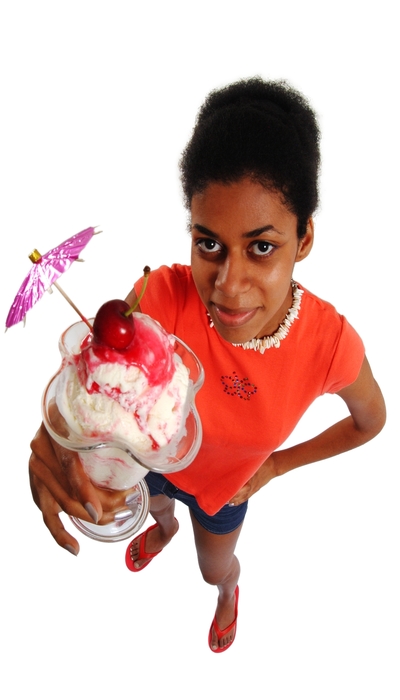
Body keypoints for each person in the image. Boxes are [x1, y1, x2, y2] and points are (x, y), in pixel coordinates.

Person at [29, 77, 386, 653]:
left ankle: (229, 591)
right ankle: (163, 528)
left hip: (225, 492)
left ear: (305, 238)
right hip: (156, 463)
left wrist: (273, 468)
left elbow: (371, 422)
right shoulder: (161, 297)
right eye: (209, 243)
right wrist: (50, 441)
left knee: (212, 568)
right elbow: (92, 381)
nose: (228, 285)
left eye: (262, 247)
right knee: (158, 505)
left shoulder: (330, 344)